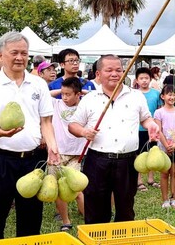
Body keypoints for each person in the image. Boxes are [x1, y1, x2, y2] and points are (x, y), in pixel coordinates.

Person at [0, 31, 59, 240]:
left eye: (24, 53)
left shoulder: (38, 84)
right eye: (14, 53)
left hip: (32, 162)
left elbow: (46, 121)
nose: (20, 57)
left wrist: (53, 147)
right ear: (0, 56)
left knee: (31, 221)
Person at [68, 54, 159, 224]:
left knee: (126, 208)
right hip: (97, 160)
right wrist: (84, 132)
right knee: (95, 208)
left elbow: (146, 118)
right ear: (98, 74)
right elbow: (73, 125)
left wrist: (151, 125)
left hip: (128, 161)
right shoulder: (90, 99)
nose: (115, 74)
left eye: (118, 70)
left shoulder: (136, 96)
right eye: (109, 70)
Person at [48, 77, 86, 231]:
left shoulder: (84, 105)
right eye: (63, 94)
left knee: (76, 189)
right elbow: (46, 94)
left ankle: (88, 219)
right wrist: (64, 89)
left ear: (78, 95)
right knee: (58, 188)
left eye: (68, 94)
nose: (64, 97)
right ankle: (66, 221)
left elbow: (97, 96)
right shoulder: (56, 104)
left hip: (77, 154)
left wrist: (80, 91)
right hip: (57, 153)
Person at [155, 85, 175, 209]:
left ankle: (174, 198)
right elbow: (158, 130)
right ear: (163, 96)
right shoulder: (159, 112)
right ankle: (165, 200)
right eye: (169, 94)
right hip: (164, 147)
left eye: (174, 94)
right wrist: (166, 145)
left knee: (174, 173)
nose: (172, 97)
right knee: (164, 174)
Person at [134, 67, 162, 191]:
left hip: (153, 130)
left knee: (152, 153)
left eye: (146, 78)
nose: (144, 81)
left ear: (150, 79)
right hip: (138, 130)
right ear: (137, 80)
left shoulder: (156, 93)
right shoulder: (134, 94)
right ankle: (139, 180)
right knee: (138, 154)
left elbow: (159, 111)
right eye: (141, 78)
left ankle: (151, 179)